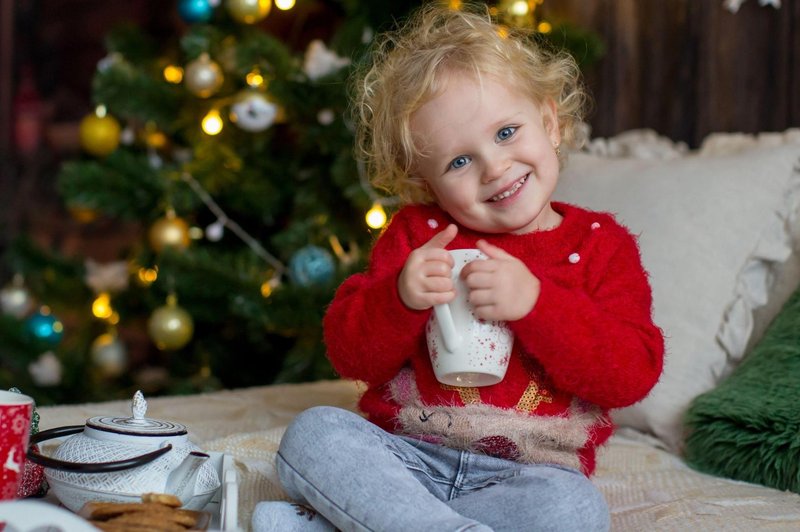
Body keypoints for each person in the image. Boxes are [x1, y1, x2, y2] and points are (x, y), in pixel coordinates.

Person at [252, 3, 664, 531]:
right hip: (408, 462)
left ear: (551, 123)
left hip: (529, 478)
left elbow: (629, 376)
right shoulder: (419, 235)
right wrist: (398, 298)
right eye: (459, 162)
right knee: (314, 434)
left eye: (507, 132)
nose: (495, 167)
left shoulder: (602, 245)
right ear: (428, 185)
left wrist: (537, 304)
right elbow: (351, 355)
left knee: (577, 511)